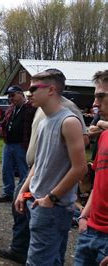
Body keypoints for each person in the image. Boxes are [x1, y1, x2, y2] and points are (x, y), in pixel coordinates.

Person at [0, 92, 90, 264]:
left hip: (48, 179)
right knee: (21, 205)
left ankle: (24, 249)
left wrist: (53, 160)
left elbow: (82, 141)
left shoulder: (68, 110)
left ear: (51, 90)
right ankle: (20, 248)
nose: (29, 94)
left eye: (34, 89)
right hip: (33, 173)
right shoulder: (41, 110)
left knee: (40, 222)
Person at [74, 69, 108, 266]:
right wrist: (84, 216)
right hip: (89, 231)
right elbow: (98, 185)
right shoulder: (103, 137)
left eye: (101, 96)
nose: (95, 104)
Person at [0, 86, 36, 202]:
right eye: (9, 96)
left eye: (13, 95)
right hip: (8, 144)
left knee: (24, 172)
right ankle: (8, 193)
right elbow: (4, 122)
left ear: (21, 94)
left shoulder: (31, 108)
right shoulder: (11, 108)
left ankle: (23, 195)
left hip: (22, 145)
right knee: (6, 170)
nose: (10, 98)